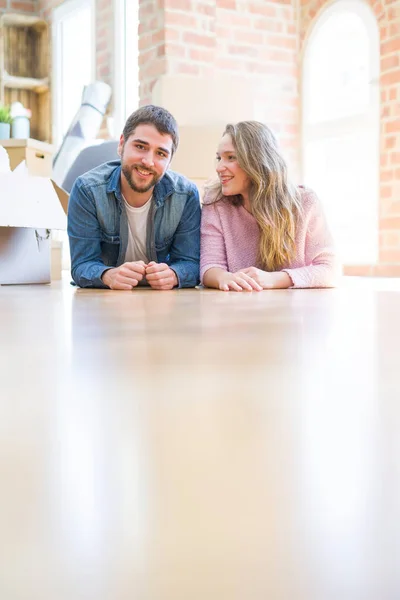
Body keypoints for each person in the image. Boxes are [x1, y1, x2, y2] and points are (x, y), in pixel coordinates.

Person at [67, 105, 201, 290]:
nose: (148, 161)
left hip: (163, 302)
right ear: (121, 144)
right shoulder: (87, 190)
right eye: (140, 146)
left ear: (170, 161)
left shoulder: (186, 195)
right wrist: (108, 276)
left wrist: (174, 275)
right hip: (107, 303)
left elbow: (191, 263)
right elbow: (81, 265)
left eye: (160, 153)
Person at [200, 121, 340, 291]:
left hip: (295, 310)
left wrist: (275, 279)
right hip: (236, 308)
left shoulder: (305, 202)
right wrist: (224, 278)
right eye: (219, 158)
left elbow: (330, 270)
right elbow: (210, 265)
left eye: (231, 157)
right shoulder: (216, 202)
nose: (219, 167)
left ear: (257, 160)